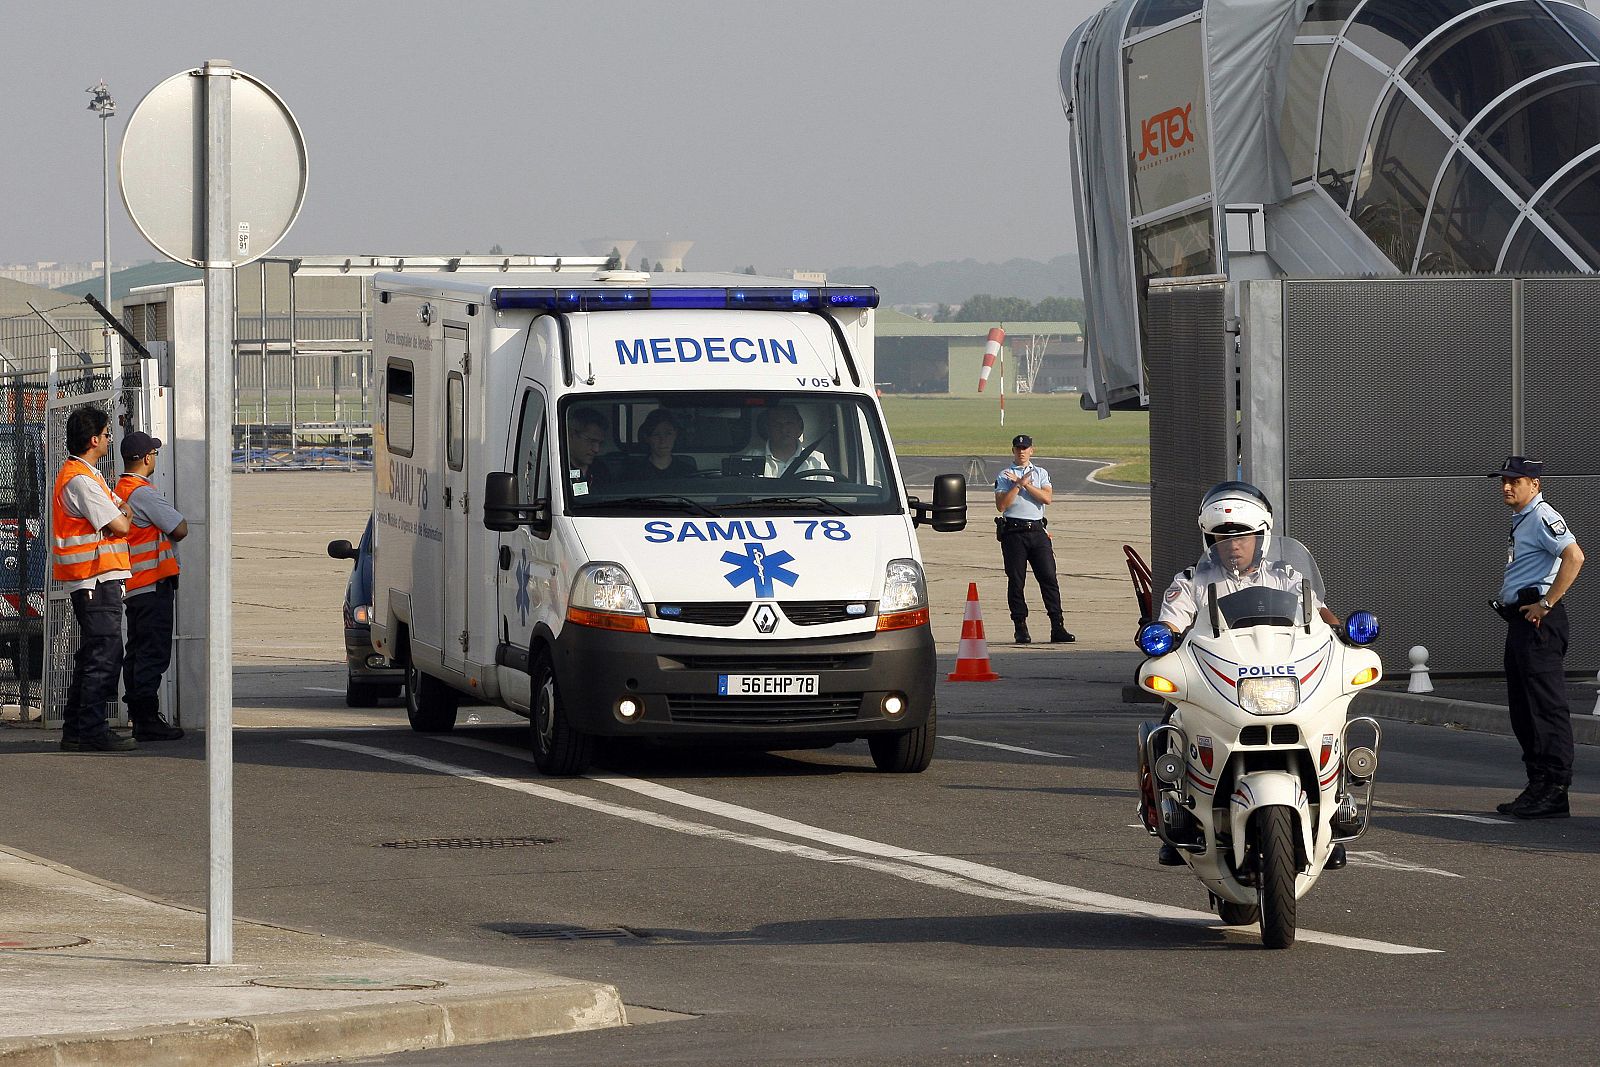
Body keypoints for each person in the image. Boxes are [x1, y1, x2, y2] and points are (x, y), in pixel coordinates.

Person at [1147, 481, 1343, 868]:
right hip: (1219, 681)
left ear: (1262, 536)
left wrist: (1343, 635)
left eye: (1243, 536)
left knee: (1332, 720)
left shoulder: (1286, 577)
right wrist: (1162, 637)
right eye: (1223, 536)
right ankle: (1170, 814)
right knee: (1169, 724)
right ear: (1209, 539)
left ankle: (1335, 814)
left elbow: (1321, 617)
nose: (1233, 545)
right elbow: (1170, 624)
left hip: (1283, 677)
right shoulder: (1192, 582)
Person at [1489, 456, 1585, 820]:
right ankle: (1538, 784)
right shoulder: (1523, 520)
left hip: (1539, 623)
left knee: (1546, 708)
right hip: (1521, 622)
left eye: (1515, 480)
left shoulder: (1544, 517)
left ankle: (1555, 789)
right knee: (1524, 709)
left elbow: (1574, 557)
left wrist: (1546, 603)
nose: (1507, 487)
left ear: (1535, 484)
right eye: (1504, 481)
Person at [53, 406, 134, 753]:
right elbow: (122, 523)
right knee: (104, 652)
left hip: (96, 578)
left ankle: (78, 726)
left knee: (94, 653)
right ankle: (89, 727)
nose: (109, 439)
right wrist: (121, 515)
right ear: (93, 439)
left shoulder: (89, 475)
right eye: (106, 434)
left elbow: (121, 510)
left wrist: (121, 513)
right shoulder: (83, 481)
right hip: (94, 578)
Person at [114, 431, 187, 742]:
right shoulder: (142, 492)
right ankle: (146, 718)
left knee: (138, 652)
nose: (155, 458)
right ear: (146, 458)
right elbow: (179, 528)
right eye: (154, 454)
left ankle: (139, 714)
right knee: (152, 653)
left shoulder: (120, 489)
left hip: (135, 584)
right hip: (152, 583)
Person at [994, 433, 1071, 644]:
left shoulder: (1040, 473)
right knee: (1017, 581)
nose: (1021, 451)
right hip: (1014, 532)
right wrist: (1017, 485)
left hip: (1037, 531)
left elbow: (1047, 498)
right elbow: (1002, 505)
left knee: (1048, 578)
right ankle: (1020, 627)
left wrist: (1026, 484)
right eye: (1018, 448)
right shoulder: (1004, 475)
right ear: (1013, 451)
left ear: (1031, 450)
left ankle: (1058, 626)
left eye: (1025, 448)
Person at [745, 404, 827, 477]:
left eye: (789, 423)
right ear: (768, 428)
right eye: (777, 424)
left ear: (799, 427)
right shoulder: (752, 458)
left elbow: (828, 493)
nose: (783, 429)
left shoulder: (815, 459)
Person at [626, 408, 695, 479]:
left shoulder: (688, 471)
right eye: (656, 434)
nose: (663, 440)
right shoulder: (633, 473)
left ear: (676, 436)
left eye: (668, 434)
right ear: (647, 438)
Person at [566, 408, 610, 492]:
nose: (596, 449)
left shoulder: (600, 470)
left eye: (600, 443)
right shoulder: (559, 468)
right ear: (572, 435)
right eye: (591, 441)